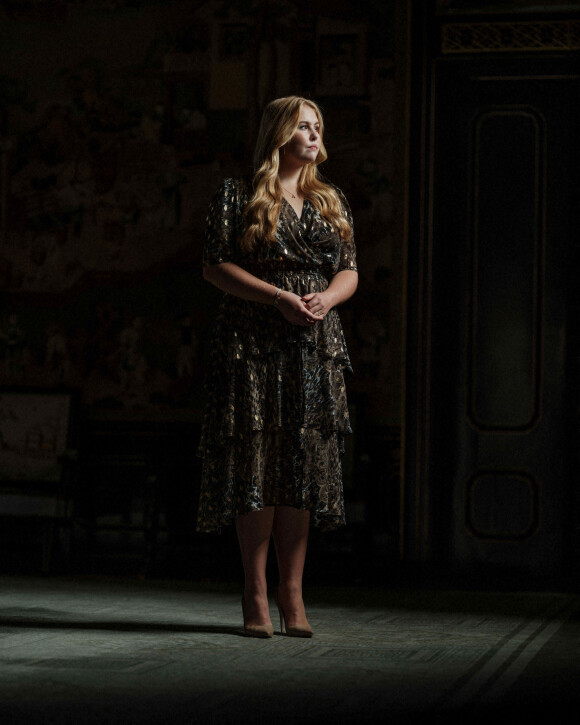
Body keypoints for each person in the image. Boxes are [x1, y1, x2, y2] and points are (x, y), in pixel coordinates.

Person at [197, 96, 358, 638]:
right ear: (279, 134)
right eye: (303, 127)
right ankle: (255, 590)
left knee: (302, 464)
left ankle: (293, 591)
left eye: (318, 126)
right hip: (253, 342)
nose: (314, 136)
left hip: (314, 344)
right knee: (259, 462)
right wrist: (277, 298)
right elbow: (215, 266)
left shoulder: (329, 199)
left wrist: (327, 300)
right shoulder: (236, 194)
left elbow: (350, 270)